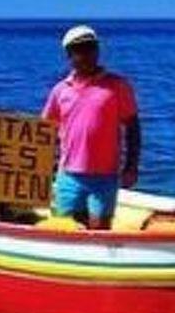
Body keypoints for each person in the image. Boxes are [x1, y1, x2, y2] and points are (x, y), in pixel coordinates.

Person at [42, 25, 141, 229]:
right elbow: (45, 131)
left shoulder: (117, 86)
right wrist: (42, 167)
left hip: (105, 175)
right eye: (79, 50)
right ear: (69, 55)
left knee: (99, 229)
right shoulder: (60, 90)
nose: (86, 54)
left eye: (90, 48)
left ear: (97, 50)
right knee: (67, 229)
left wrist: (131, 167)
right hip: (68, 175)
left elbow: (133, 128)